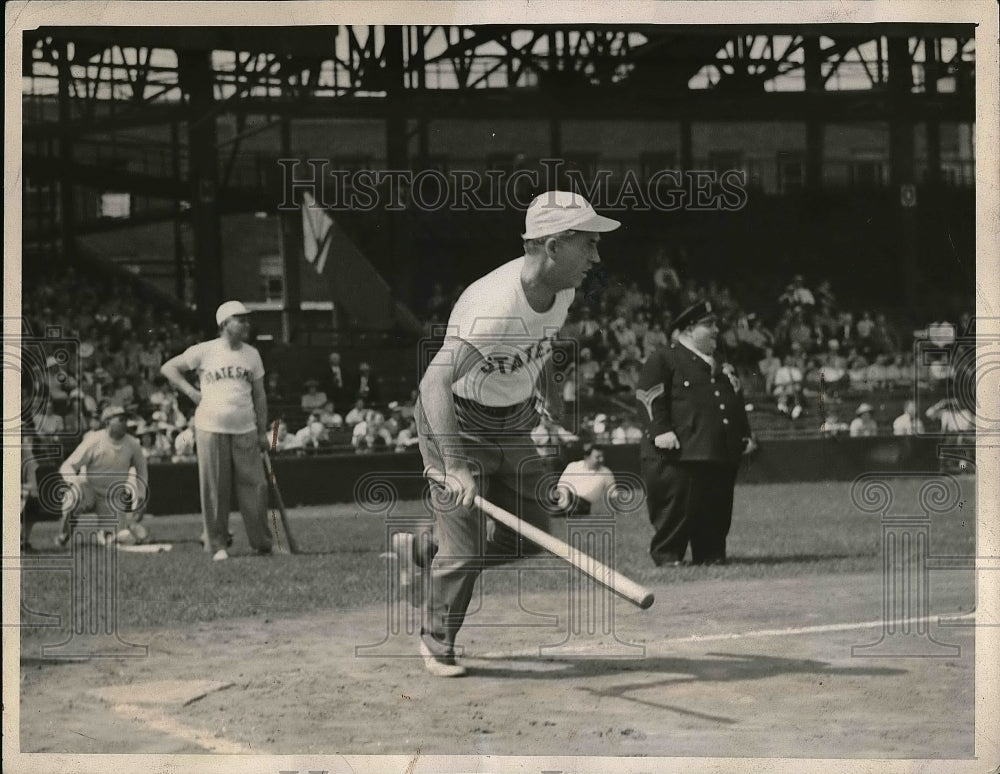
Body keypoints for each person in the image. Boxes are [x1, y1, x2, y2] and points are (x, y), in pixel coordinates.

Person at [400, 189, 620, 677]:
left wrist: (548, 397)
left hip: (512, 423)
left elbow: (538, 346)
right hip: (455, 422)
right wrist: (454, 466)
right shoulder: (493, 306)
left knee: (531, 538)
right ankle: (436, 640)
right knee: (466, 549)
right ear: (554, 245)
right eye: (588, 243)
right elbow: (432, 383)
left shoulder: (562, 290)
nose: (596, 256)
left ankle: (425, 550)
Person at [636, 300, 755, 567]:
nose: (716, 330)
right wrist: (660, 430)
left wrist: (744, 434)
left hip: (718, 449)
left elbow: (734, 400)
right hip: (680, 452)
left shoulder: (720, 364)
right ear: (689, 329)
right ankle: (668, 556)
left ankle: (711, 554)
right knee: (677, 508)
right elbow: (647, 396)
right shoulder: (665, 358)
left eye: (716, 325)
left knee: (716, 506)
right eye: (709, 325)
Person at [160, 300, 273, 560]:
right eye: (240, 319)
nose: (246, 324)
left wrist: (262, 431)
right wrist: (190, 392)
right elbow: (169, 367)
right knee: (215, 490)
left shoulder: (252, 354)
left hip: (245, 427)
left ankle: (262, 542)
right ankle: (217, 544)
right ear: (224, 324)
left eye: (246, 319)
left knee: (256, 487)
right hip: (210, 427)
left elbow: (260, 396)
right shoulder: (205, 350)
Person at [55, 405, 148, 546]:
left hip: (112, 497)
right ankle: (64, 534)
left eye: (126, 420)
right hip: (88, 489)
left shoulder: (133, 444)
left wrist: (140, 497)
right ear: (107, 422)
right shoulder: (94, 440)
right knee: (72, 498)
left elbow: (141, 471)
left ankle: (110, 532)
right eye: (121, 419)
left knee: (115, 539)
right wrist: (75, 484)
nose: (125, 423)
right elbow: (67, 466)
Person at [555, 443, 616, 516]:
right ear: (587, 457)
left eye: (602, 456)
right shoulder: (573, 466)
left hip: (582, 504)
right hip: (565, 497)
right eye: (597, 457)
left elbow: (612, 493)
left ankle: (562, 511)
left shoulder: (605, 472)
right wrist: (564, 503)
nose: (601, 459)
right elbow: (562, 485)